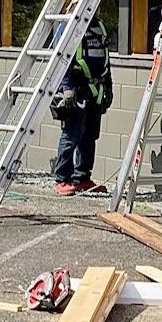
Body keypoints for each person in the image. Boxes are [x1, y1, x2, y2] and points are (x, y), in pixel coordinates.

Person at [50, 21, 113, 196]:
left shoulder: (100, 26)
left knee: (90, 136)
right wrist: (67, 89)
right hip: (77, 90)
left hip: (96, 90)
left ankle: (82, 177)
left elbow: (107, 62)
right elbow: (62, 60)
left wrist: (109, 88)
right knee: (71, 135)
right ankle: (62, 179)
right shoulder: (70, 25)